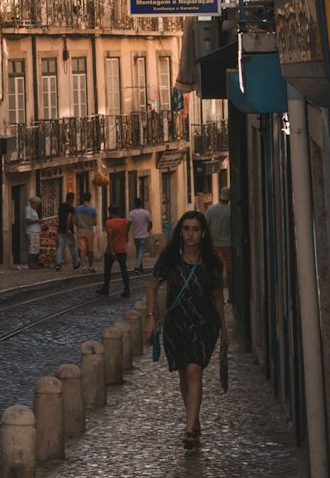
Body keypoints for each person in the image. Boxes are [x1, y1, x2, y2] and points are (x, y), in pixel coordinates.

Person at [146, 208, 229, 450]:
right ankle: (194, 418)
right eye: (186, 229)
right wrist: (151, 317)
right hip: (176, 323)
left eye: (195, 229)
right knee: (184, 373)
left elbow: (217, 297)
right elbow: (152, 287)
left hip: (205, 323)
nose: (190, 234)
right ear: (180, 232)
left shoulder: (213, 262)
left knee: (194, 369)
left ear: (203, 233)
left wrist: (224, 329)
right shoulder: (170, 258)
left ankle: (190, 429)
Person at [99, 206, 132, 299]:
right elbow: (129, 222)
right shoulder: (123, 221)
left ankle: (106, 289)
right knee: (124, 270)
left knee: (107, 270)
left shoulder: (109, 223)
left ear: (110, 213)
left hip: (111, 250)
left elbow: (110, 238)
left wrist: (112, 251)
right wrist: (126, 234)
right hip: (122, 249)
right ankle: (127, 289)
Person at [206, 184, 234, 285]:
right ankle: (231, 294)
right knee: (229, 268)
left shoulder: (211, 210)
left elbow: (205, 225)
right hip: (228, 244)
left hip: (215, 244)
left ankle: (219, 290)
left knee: (217, 268)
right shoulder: (231, 211)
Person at [127, 195, 154, 274]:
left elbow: (128, 224)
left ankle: (140, 268)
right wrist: (147, 230)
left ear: (134, 204)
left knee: (139, 251)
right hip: (144, 235)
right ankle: (137, 267)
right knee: (141, 252)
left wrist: (126, 233)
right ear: (141, 204)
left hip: (136, 236)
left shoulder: (131, 213)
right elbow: (151, 223)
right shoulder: (146, 213)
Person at [73, 192, 98, 270]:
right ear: (90, 199)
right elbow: (95, 222)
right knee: (90, 250)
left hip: (80, 231)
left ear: (83, 199)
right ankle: (91, 266)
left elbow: (74, 221)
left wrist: (80, 225)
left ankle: (83, 266)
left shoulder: (77, 209)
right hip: (89, 231)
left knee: (82, 249)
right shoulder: (93, 210)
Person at [59, 192, 77, 272]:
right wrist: (68, 229)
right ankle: (75, 263)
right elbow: (69, 218)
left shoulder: (60, 206)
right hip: (68, 231)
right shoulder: (71, 208)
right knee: (72, 248)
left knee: (60, 247)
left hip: (60, 229)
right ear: (71, 199)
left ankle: (58, 264)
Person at [23, 192, 42, 267]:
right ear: (33, 203)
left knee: (36, 248)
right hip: (32, 231)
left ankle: (35, 263)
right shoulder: (28, 209)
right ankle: (31, 264)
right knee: (32, 248)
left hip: (36, 230)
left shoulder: (34, 209)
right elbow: (28, 221)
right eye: (37, 204)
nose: (37, 206)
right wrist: (38, 221)